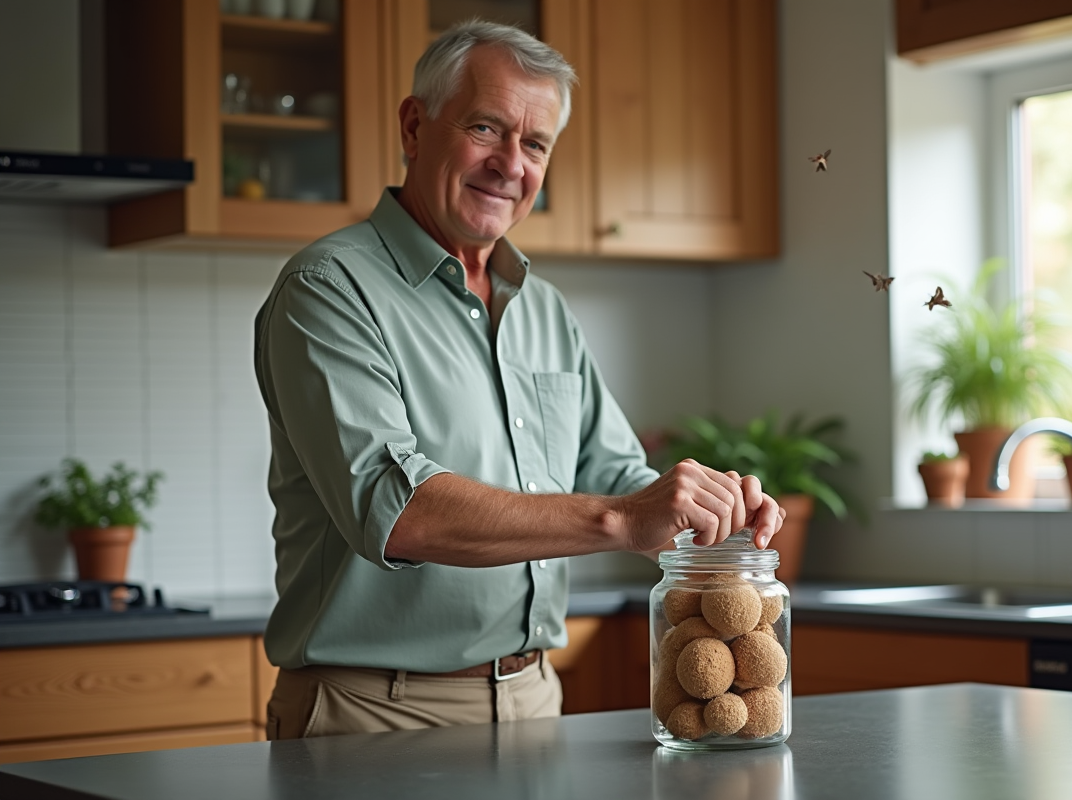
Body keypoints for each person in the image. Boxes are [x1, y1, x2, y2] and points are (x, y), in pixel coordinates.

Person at [254, 20, 784, 740]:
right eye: (485, 128)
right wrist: (621, 520)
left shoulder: (544, 309)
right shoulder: (329, 289)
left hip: (535, 701)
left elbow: (621, 478)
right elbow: (395, 509)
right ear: (415, 127)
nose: (511, 164)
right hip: (374, 712)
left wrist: (713, 510)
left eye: (535, 144)